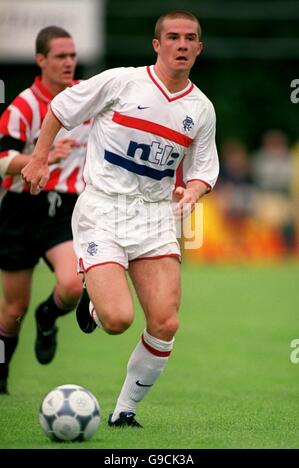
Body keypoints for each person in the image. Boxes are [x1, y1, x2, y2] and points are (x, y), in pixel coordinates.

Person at [22, 11, 219, 426]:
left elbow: (203, 168)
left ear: (199, 48)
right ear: (157, 44)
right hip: (104, 209)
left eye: (190, 39)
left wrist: (194, 190)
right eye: (173, 37)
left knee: (165, 322)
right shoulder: (122, 81)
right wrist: (40, 158)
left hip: (154, 216)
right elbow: (61, 107)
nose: (181, 45)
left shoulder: (201, 109)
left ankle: (124, 412)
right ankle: (95, 301)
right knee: (117, 320)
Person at [0, 26, 91, 394]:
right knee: (12, 310)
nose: (69, 62)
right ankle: (1, 377)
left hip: (64, 208)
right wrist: (41, 155)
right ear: (41, 60)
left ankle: (49, 315)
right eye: (60, 56)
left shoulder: (87, 97)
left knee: (72, 283)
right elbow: (2, 158)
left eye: (72, 56)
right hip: (21, 209)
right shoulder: (23, 105)